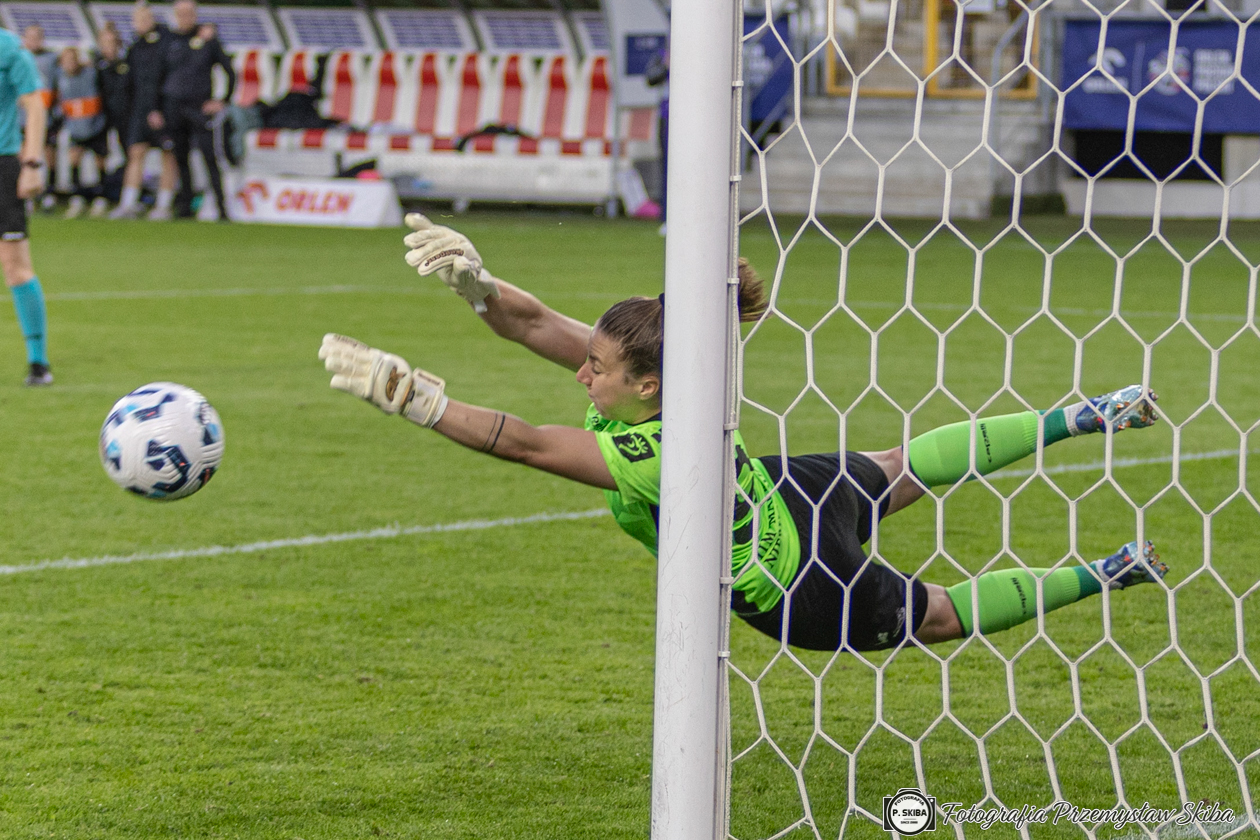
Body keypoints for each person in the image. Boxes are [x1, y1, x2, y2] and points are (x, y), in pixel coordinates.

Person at [317, 216, 1168, 652]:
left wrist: (415, 400)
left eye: (596, 369)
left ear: (645, 386)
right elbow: (536, 324)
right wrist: (476, 282)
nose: (583, 374)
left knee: (936, 616)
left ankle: (1108, 570)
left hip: (797, 586)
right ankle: (1091, 414)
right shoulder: (681, 373)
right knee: (900, 465)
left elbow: (525, 442)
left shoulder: (651, 459)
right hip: (781, 495)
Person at [1, 25, 52, 385]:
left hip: (3, 164)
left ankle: (38, 361)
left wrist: (32, 163)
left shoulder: (9, 48)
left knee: (15, 265)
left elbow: (35, 104)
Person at [158, 0, 233, 221]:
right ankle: (185, 207)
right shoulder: (169, 40)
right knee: (180, 157)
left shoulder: (208, 40)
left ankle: (222, 208)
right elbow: (158, 76)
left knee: (209, 157)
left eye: (189, 13)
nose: (185, 18)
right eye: (181, 14)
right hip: (173, 106)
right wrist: (157, 108)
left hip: (199, 108)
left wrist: (223, 100)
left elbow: (230, 71)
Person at [109, 4, 178, 221]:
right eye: (137, 19)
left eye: (144, 18)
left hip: (164, 109)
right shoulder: (135, 46)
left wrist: (160, 108)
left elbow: (168, 77)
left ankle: (163, 205)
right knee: (136, 152)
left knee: (169, 154)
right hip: (140, 110)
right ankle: (128, 203)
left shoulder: (167, 41)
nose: (140, 23)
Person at [53, 47, 108, 218]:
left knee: (99, 161)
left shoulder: (90, 73)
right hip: (75, 127)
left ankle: (101, 198)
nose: (69, 63)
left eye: (72, 59)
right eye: (66, 60)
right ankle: (77, 198)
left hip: (95, 125)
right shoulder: (60, 77)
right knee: (74, 159)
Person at [94, 22, 131, 211]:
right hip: (101, 116)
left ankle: (126, 194)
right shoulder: (95, 65)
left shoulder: (126, 64)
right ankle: (101, 193)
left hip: (124, 115)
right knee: (100, 152)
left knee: (129, 153)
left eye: (111, 42)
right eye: (104, 42)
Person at [20, 24, 57, 213]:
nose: (33, 41)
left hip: (45, 117)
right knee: (23, 156)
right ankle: (26, 196)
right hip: (21, 118)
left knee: (48, 156)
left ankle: (48, 193)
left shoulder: (51, 60)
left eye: (36, 37)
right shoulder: (17, 60)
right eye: (30, 37)